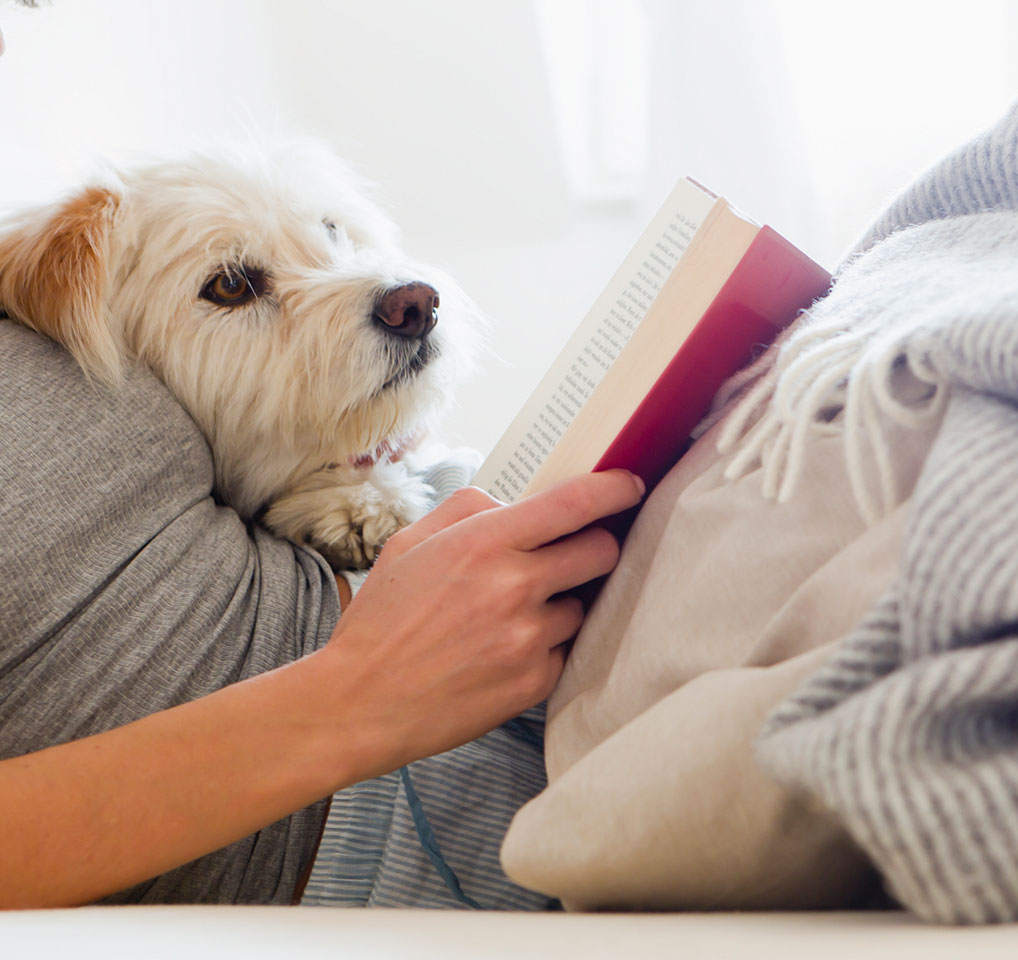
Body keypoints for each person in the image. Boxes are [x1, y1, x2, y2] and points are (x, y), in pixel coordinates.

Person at [0, 3, 638, 909]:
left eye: (336, 237)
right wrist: (361, 693)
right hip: (404, 811)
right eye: (234, 286)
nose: (385, 291)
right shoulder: (64, 267)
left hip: (464, 570)